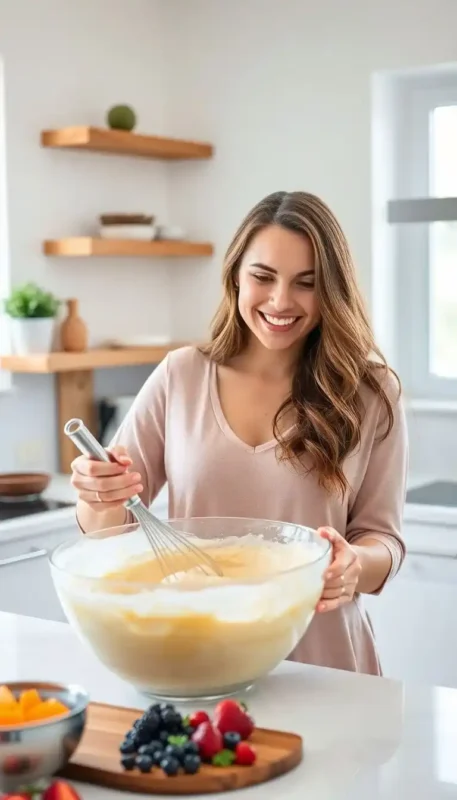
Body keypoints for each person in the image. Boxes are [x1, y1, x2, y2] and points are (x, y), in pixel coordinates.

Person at [71, 190, 408, 676]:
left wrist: (354, 563)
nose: (280, 301)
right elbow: (109, 529)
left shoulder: (370, 393)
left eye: (306, 283)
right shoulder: (180, 375)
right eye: (263, 276)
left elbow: (384, 539)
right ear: (235, 275)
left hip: (322, 657)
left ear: (332, 290)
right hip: (201, 652)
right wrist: (98, 494)